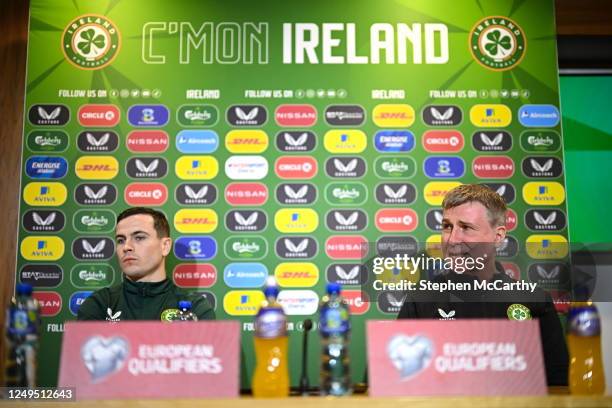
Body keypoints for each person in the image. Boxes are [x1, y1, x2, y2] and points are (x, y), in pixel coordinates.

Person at [397, 184, 568, 385]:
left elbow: (559, 385)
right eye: (447, 226)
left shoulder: (534, 300)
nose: (452, 240)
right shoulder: (421, 299)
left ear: (498, 236)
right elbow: (394, 381)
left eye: (466, 228)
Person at [77, 207, 215, 321]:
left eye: (139, 237)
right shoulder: (99, 304)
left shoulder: (195, 309)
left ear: (165, 246)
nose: (126, 247)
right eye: (120, 240)